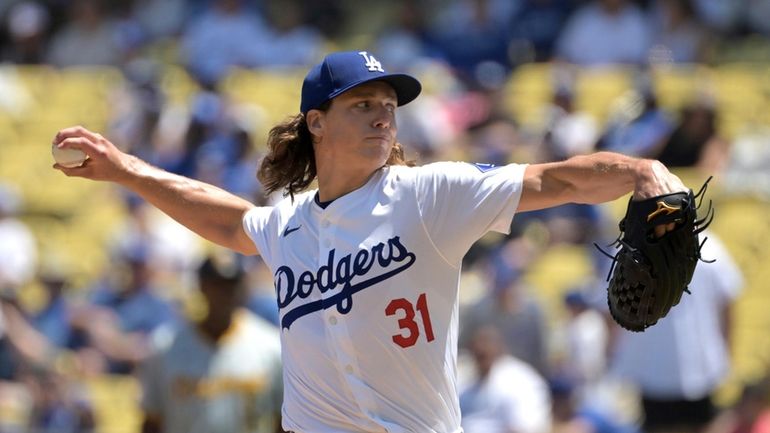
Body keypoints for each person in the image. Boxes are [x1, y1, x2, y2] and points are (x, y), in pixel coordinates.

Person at [52, 50, 689, 433]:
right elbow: (229, 223)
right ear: (317, 121)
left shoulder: (431, 194)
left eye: (389, 102)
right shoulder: (288, 222)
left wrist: (637, 172)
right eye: (363, 103)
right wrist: (127, 169)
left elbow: (552, 180)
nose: (384, 113)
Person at [140, 250, 283, 433]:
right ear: (201, 286)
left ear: (243, 288)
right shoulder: (165, 347)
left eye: (230, 285)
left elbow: (283, 421)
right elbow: (152, 421)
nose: (223, 294)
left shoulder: (270, 346)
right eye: (215, 285)